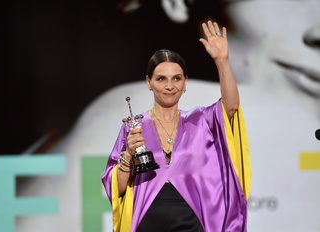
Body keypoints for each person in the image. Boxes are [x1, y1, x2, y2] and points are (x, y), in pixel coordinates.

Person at [101, 21, 251, 232]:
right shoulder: (134, 126)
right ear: (149, 82)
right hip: (146, 220)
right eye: (161, 79)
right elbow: (116, 187)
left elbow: (232, 107)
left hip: (194, 220)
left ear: (185, 83)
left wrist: (222, 61)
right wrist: (127, 155)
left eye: (176, 78)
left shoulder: (201, 120)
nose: (169, 86)